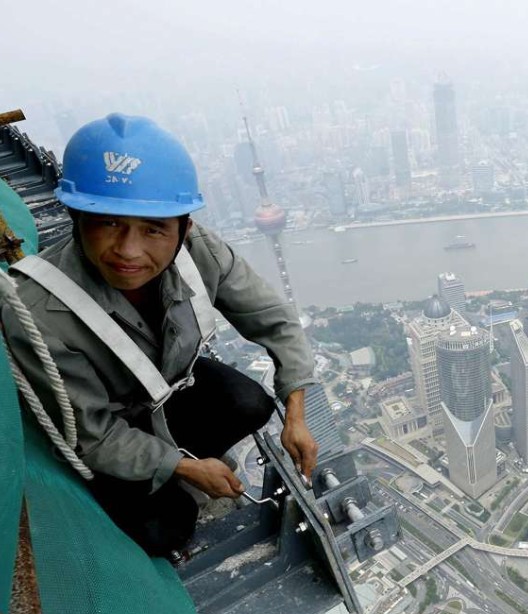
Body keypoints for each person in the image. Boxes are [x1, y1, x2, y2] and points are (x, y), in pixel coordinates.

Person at [2, 113, 318, 557]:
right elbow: (92, 435)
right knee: (165, 531)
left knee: (253, 403)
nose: (129, 252)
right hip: (111, 427)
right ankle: (159, 484)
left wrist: (297, 412)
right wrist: (185, 468)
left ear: (183, 229)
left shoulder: (197, 250)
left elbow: (275, 319)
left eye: (153, 230)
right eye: (107, 223)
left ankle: (177, 468)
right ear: (76, 217)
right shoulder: (37, 310)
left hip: (167, 395)